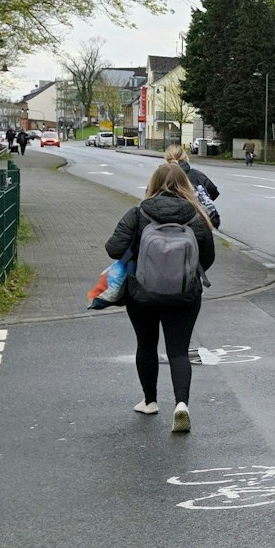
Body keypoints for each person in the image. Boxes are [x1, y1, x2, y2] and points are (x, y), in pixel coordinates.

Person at [106, 163, 216, 433]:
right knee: (179, 351)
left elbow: (113, 248)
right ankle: (181, 405)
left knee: (146, 345)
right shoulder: (197, 216)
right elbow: (208, 258)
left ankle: (150, 401)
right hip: (185, 294)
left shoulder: (139, 213)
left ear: (152, 184)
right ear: (186, 185)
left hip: (141, 293)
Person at [165, 143, 221, 227]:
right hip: (204, 221)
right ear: (184, 157)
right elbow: (213, 191)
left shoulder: (163, 176)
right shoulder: (196, 174)